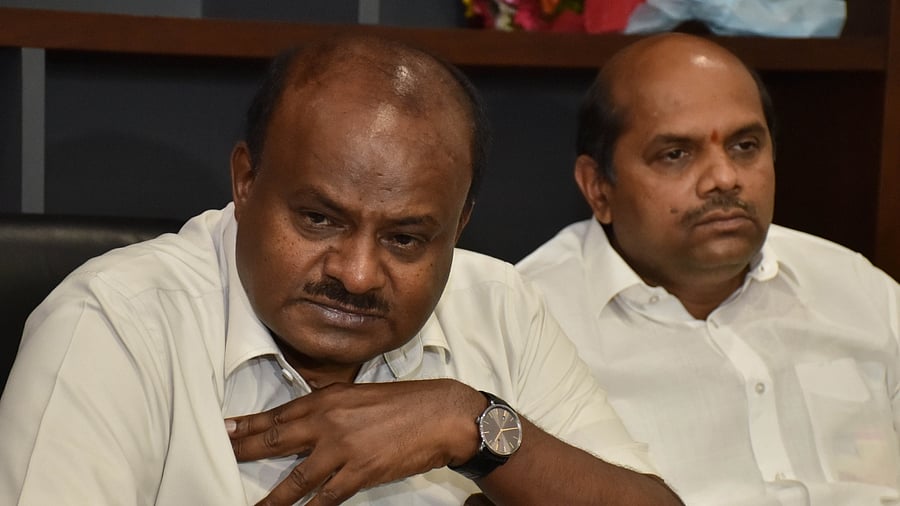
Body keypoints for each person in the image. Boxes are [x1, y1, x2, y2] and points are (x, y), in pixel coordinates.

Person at [0, 35, 683, 506]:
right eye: (320, 220)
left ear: (461, 224)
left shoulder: (498, 304)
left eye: (407, 238)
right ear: (245, 181)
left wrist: (470, 425)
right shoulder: (113, 324)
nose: (357, 275)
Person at [516, 32, 900, 505]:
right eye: (676, 154)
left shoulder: (859, 290)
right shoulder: (527, 324)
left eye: (744, 146)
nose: (724, 178)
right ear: (598, 188)